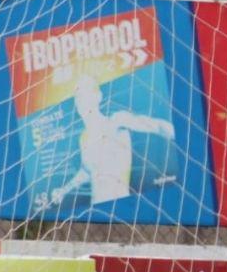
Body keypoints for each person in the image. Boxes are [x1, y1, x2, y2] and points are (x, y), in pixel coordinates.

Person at [48, 74, 176, 207]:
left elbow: (158, 127)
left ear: (98, 96)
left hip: (120, 203)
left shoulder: (117, 121)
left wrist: (182, 137)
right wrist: (64, 190)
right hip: (95, 207)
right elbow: (87, 170)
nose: (81, 99)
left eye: (86, 92)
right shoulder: (83, 138)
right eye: (78, 95)